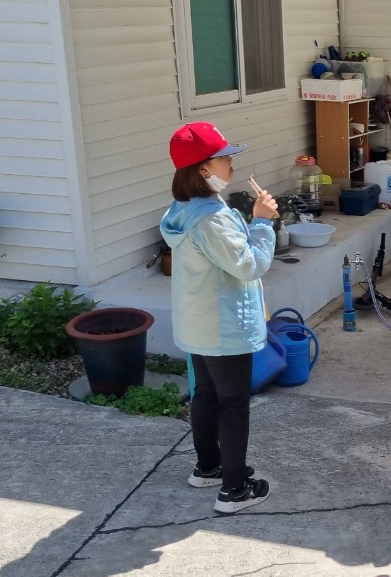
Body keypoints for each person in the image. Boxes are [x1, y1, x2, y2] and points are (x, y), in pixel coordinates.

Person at [160, 122, 276, 514]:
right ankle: (235, 490)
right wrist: (263, 222)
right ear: (203, 169)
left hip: (198, 322)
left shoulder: (182, 209)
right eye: (224, 158)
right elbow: (249, 265)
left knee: (206, 396)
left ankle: (208, 467)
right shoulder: (211, 218)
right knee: (233, 404)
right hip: (224, 326)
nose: (231, 164)